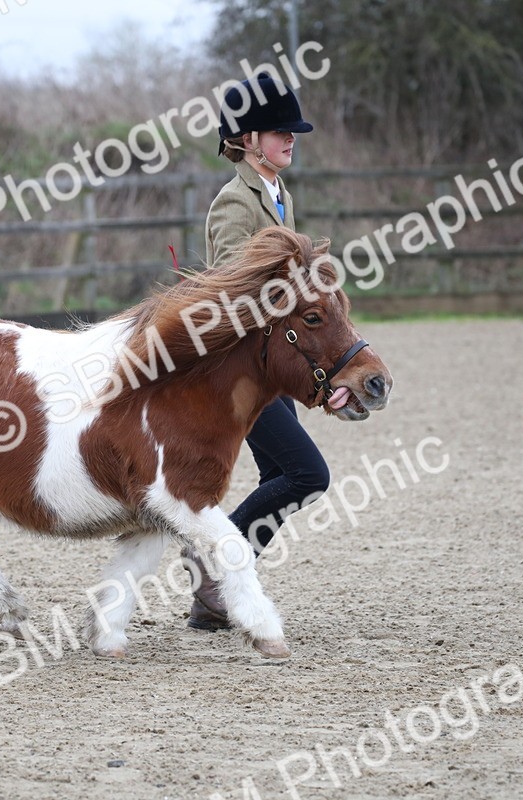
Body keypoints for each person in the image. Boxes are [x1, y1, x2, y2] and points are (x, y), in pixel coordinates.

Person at [185, 72, 331, 630]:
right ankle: (214, 563)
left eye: (293, 132)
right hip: (241, 369)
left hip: (275, 365)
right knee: (306, 474)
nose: (291, 139)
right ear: (248, 139)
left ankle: (212, 600)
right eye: (279, 132)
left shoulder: (278, 194)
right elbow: (231, 290)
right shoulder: (234, 203)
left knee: (283, 477)